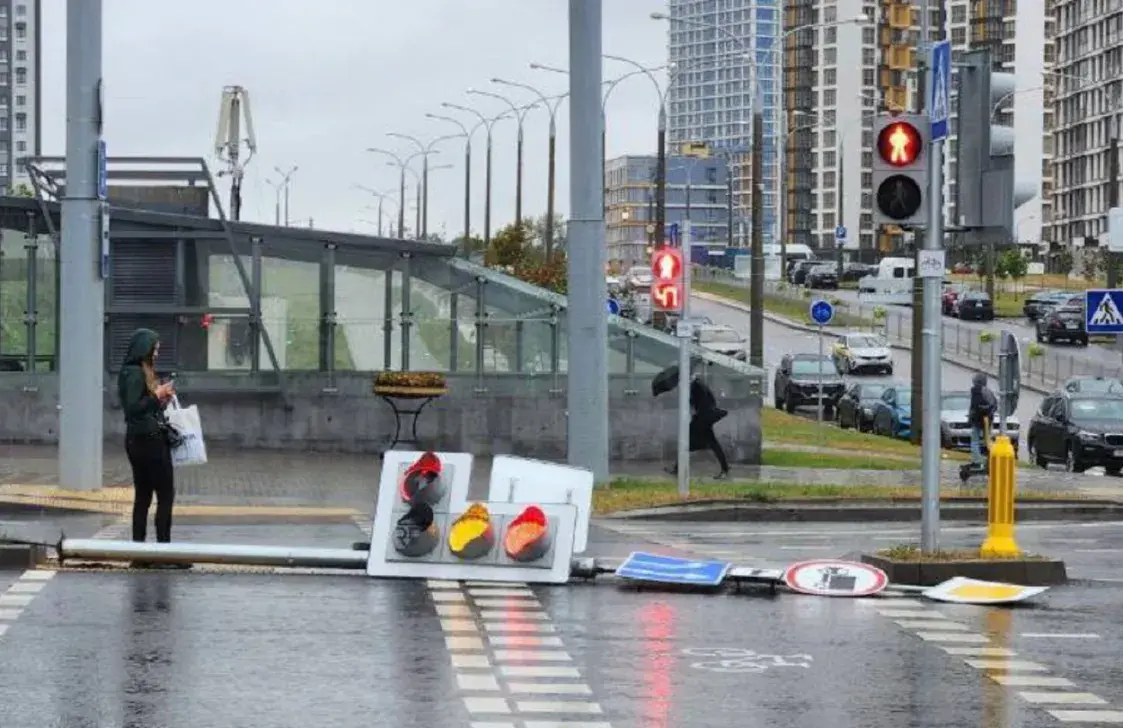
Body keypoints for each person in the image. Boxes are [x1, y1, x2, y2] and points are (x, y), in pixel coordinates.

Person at [117, 328, 189, 569]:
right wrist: (158, 395)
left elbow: (145, 408)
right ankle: (163, 552)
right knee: (164, 495)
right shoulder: (134, 373)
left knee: (144, 497)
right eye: (154, 347)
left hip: (142, 440)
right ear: (143, 348)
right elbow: (133, 408)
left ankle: (140, 554)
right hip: (148, 442)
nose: (157, 352)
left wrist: (162, 398)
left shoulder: (138, 372)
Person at [664, 363, 731, 479]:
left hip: (702, 419)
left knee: (687, 441)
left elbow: (705, 402)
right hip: (703, 419)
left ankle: (678, 468)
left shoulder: (697, 386)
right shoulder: (696, 385)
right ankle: (724, 468)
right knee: (710, 444)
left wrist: (697, 411)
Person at [968, 371, 998, 466]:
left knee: (975, 441)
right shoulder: (989, 392)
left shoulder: (975, 390)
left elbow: (974, 406)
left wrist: (970, 417)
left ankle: (977, 461)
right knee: (988, 441)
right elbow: (995, 405)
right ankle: (993, 458)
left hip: (977, 420)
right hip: (987, 420)